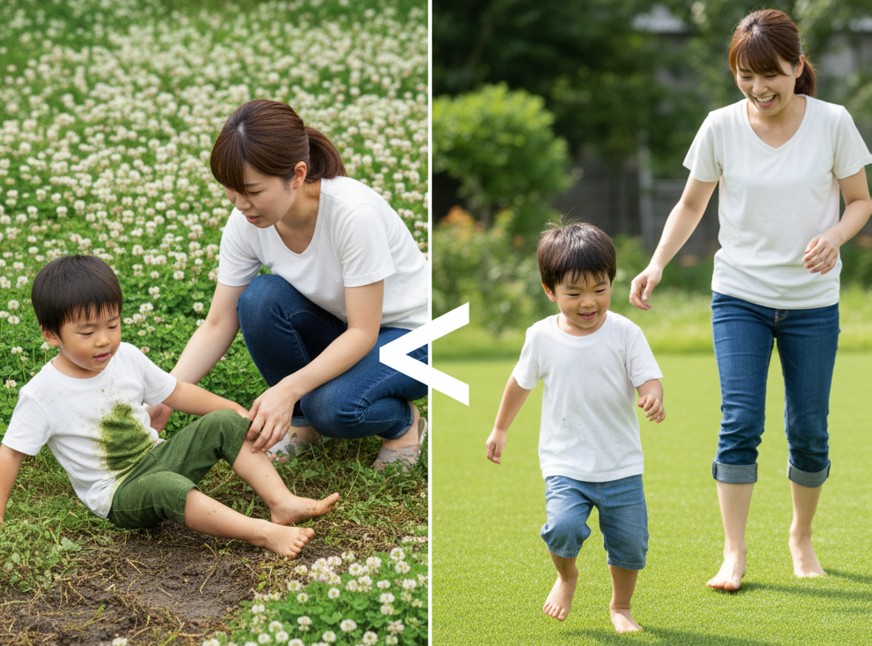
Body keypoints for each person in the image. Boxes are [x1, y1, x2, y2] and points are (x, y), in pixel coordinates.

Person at [629, 9, 872, 592]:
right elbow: (691, 205)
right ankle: (733, 554)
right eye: (745, 76)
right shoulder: (719, 126)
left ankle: (800, 536)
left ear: (796, 66)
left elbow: (860, 201)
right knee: (740, 421)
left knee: (809, 428)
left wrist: (835, 237)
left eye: (771, 76)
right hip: (738, 295)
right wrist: (657, 262)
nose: (759, 89)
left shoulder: (834, 123)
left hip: (812, 302)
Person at [149, 99, 429, 469]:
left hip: (415, 337)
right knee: (259, 299)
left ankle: (404, 424)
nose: (240, 204)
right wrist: (166, 393)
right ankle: (301, 422)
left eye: (252, 190)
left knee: (331, 406)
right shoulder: (246, 223)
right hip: (349, 327)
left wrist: (288, 387)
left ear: (297, 175)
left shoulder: (353, 216)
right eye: (230, 191)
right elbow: (218, 323)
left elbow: (364, 332)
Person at [0, 255, 339, 557]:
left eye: (113, 325)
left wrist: (236, 411)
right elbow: (11, 452)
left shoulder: (126, 357)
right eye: (87, 333)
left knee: (223, 421)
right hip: (118, 493)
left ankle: (281, 502)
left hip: (157, 456)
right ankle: (262, 533)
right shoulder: (42, 394)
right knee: (167, 487)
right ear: (51, 335)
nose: (104, 340)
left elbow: (177, 392)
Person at [486, 222, 665, 634]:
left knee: (629, 546)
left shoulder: (625, 333)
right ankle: (567, 576)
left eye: (600, 290)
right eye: (574, 293)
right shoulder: (541, 337)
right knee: (562, 529)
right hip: (565, 463)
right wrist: (500, 429)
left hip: (621, 465)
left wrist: (653, 395)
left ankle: (621, 606)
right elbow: (520, 384)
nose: (589, 302)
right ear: (550, 291)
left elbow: (648, 377)